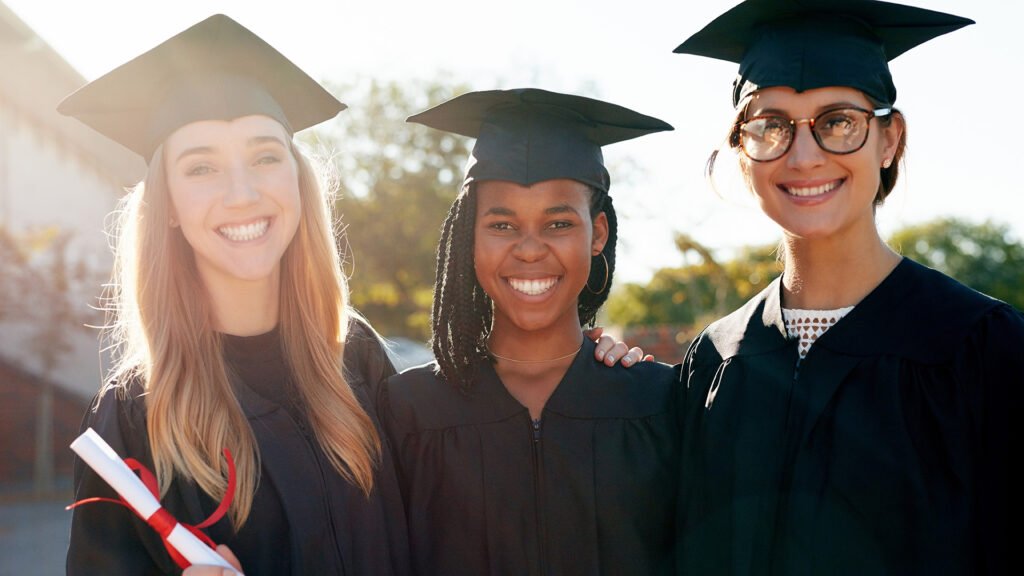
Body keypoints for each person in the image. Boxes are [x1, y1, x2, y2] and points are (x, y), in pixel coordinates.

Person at [673, 0, 1023, 574]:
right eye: (770, 126)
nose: (805, 155)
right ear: (742, 152)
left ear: (889, 139)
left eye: (838, 121)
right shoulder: (717, 359)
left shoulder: (982, 349)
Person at [58, 14, 412, 575]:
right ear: (168, 206)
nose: (242, 193)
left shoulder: (356, 357)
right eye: (201, 167)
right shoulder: (134, 419)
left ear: (297, 180)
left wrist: (580, 361)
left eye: (265, 156)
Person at [378, 88, 680, 576]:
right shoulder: (408, 413)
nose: (530, 249)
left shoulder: (661, 405)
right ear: (468, 235)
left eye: (558, 222)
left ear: (598, 232)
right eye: (501, 226)